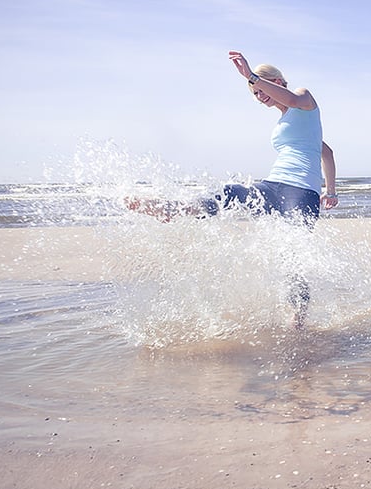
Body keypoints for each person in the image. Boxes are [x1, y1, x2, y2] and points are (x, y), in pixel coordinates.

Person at [127, 50, 338, 326]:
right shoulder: (288, 122)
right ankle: (176, 210)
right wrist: (331, 189)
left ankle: (297, 320)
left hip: (301, 192)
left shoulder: (304, 99)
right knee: (231, 192)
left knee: (291, 257)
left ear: (277, 81)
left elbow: (318, 139)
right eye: (254, 92)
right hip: (273, 185)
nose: (258, 95)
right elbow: (327, 151)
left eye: (261, 88)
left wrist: (330, 191)